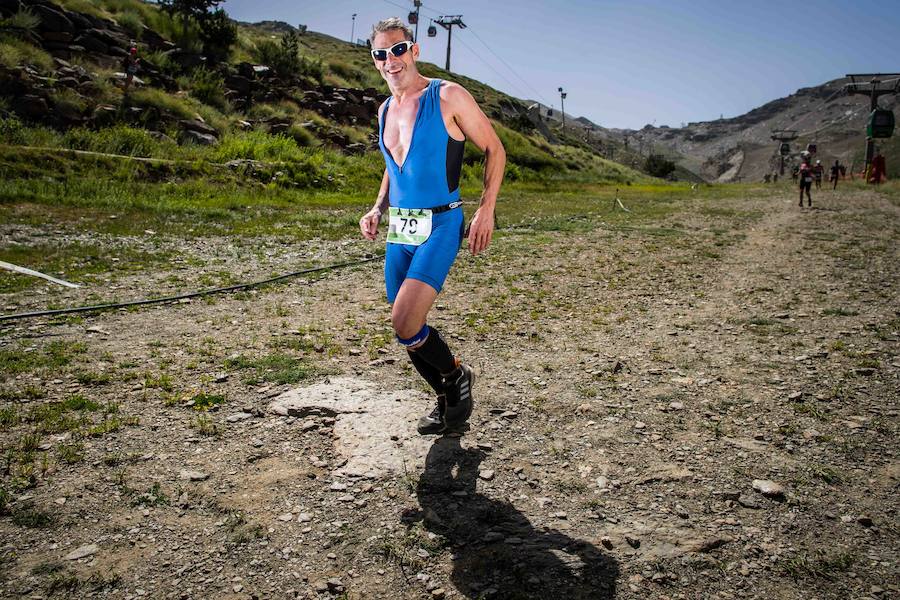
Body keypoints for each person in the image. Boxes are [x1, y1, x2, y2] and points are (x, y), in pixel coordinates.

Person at [359, 17, 506, 435]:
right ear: (375, 60)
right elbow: (394, 165)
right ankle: (446, 400)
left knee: (405, 320)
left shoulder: (447, 96)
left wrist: (486, 209)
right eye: (381, 54)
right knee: (406, 328)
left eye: (398, 50)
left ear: (414, 50)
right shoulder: (384, 109)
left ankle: (457, 375)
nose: (391, 60)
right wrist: (377, 207)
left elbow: (495, 149)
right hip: (401, 230)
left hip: (441, 222)